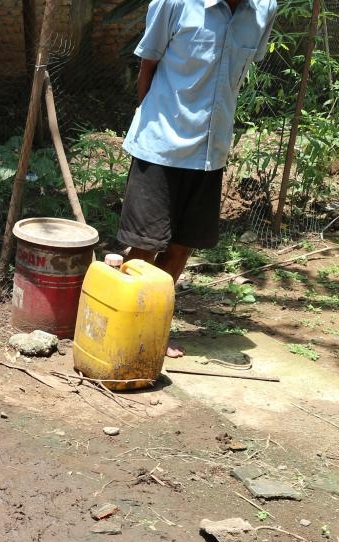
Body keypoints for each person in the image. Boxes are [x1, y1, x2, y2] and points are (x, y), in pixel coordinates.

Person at [117, 0, 277, 357]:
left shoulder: (263, 9)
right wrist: (149, 123)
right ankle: (126, 329)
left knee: (181, 246)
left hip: (210, 152)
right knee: (145, 244)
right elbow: (148, 64)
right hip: (161, 144)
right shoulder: (174, 3)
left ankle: (153, 327)